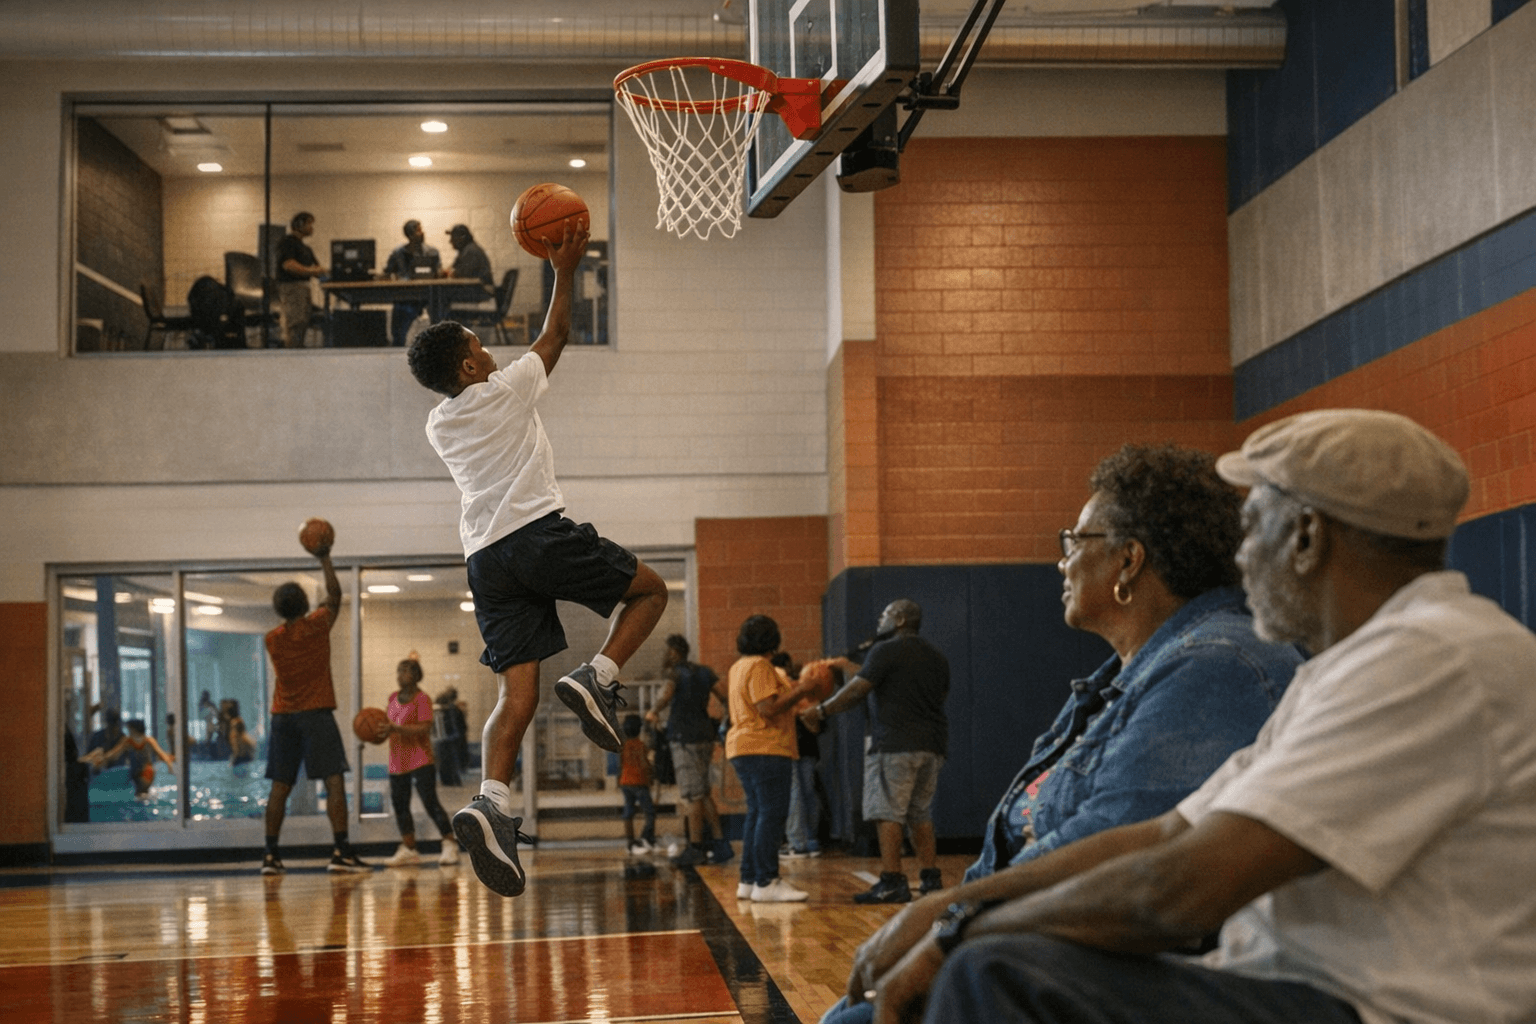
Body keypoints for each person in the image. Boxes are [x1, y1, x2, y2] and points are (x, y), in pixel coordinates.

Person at [853, 409, 1536, 1024]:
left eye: (1252, 526)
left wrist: (963, 932)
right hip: (1291, 988)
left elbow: (1174, 892)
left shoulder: (1430, 657)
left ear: (1304, 536)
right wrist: (944, 907)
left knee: (997, 974)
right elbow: (1161, 833)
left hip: (1369, 1006)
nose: (1240, 558)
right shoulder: (1349, 667)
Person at [817, 443, 1301, 1024]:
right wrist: (949, 916)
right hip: (1018, 946)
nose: (1062, 561)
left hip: (1082, 970)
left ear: (1129, 561)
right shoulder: (1121, 676)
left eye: (1074, 542)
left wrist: (953, 923)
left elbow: (1121, 849)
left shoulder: (1218, 665)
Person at [406, 220, 668, 898]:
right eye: (478, 345)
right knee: (649, 592)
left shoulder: (438, 422)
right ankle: (599, 676)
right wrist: (565, 268)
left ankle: (491, 799)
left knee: (514, 695)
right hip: (535, 534)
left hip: (485, 561)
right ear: (469, 367)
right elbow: (556, 337)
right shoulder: (505, 389)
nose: (488, 349)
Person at [801, 598, 950, 904]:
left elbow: (857, 689)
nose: (880, 619)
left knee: (888, 813)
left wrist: (822, 710)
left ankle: (892, 881)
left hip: (893, 744)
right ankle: (930, 879)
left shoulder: (885, 650)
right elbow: (940, 696)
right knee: (921, 813)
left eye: (885, 614)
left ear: (899, 620)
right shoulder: (937, 657)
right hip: (932, 745)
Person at [261, 541, 369, 875]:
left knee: (280, 786)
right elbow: (335, 596)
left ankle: (271, 857)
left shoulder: (272, 639)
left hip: (282, 717)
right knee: (334, 782)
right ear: (307, 604)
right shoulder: (317, 625)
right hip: (316, 715)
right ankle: (340, 852)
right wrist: (324, 558)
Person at [726, 614, 821, 903]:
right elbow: (768, 708)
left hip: (743, 747)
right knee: (771, 814)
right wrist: (802, 689)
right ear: (773, 639)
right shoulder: (760, 666)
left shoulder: (738, 666)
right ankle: (767, 880)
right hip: (765, 746)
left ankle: (749, 879)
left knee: (757, 813)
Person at [645, 634, 733, 866]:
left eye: (666, 651)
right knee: (703, 792)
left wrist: (653, 711)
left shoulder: (675, 673)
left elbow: (667, 694)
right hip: (705, 736)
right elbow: (725, 696)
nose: (664, 655)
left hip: (684, 738)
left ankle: (695, 848)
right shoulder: (705, 671)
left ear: (674, 651)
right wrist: (725, 722)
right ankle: (720, 843)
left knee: (691, 795)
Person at [383, 658, 461, 868]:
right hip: (397, 760)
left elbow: (424, 729)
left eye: (405, 671)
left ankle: (449, 843)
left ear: (417, 675)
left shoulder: (422, 699)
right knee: (400, 805)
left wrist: (396, 729)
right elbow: (387, 727)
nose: (400, 675)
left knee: (430, 802)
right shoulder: (392, 697)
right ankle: (409, 849)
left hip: (420, 758)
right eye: (398, 670)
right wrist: (377, 731)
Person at [785, 658, 837, 859]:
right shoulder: (805, 699)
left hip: (798, 749)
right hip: (801, 750)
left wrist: (799, 709)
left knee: (799, 794)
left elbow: (815, 727)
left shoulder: (807, 699)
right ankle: (808, 840)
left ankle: (799, 842)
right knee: (804, 793)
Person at [82, 717, 174, 800]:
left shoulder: (148, 741)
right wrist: (101, 759)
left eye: (129, 729)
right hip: (135, 771)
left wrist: (169, 765)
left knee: (142, 792)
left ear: (134, 729)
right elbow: (114, 754)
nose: (128, 730)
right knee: (140, 794)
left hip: (146, 771)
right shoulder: (128, 741)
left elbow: (160, 753)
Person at [384, 219, 443, 346]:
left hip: (428, 295)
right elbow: (387, 273)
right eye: (419, 230)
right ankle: (397, 345)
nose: (422, 233)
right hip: (406, 295)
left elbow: (438, 272)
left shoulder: (432, 252)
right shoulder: (398, 253)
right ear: (410, 235)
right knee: (401, 314)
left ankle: (439, 346)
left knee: (440, 308)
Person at [275, 211, 325, 349]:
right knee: (295, 323)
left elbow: (318, 269)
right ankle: (292, 355)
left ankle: (298, 351)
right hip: (291, 287)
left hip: (303, 287)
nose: (312, 228)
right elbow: (289, 265)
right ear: (299, 224)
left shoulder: (306, 248)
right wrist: (312, 271)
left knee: (303, 322)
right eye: (309, 224)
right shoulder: (288, 242)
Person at [618, 714, 657, 855]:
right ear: (639, 729)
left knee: (628, 812)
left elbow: (620, 764)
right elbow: (644, 764)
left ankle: (630, 842)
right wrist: (651, 777)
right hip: (640, 782)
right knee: (650, 812)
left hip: (625, 782)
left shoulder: (623, 745)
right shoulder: (640, 745)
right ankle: (646, 838)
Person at [433, 689, 464, 787]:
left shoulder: (442, 710)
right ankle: (454, 780)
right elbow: (458, 726)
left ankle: (449, 780)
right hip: (450, 738)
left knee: (445, 761)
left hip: (444, 739)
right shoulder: (452, 710)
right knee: (451, 761)